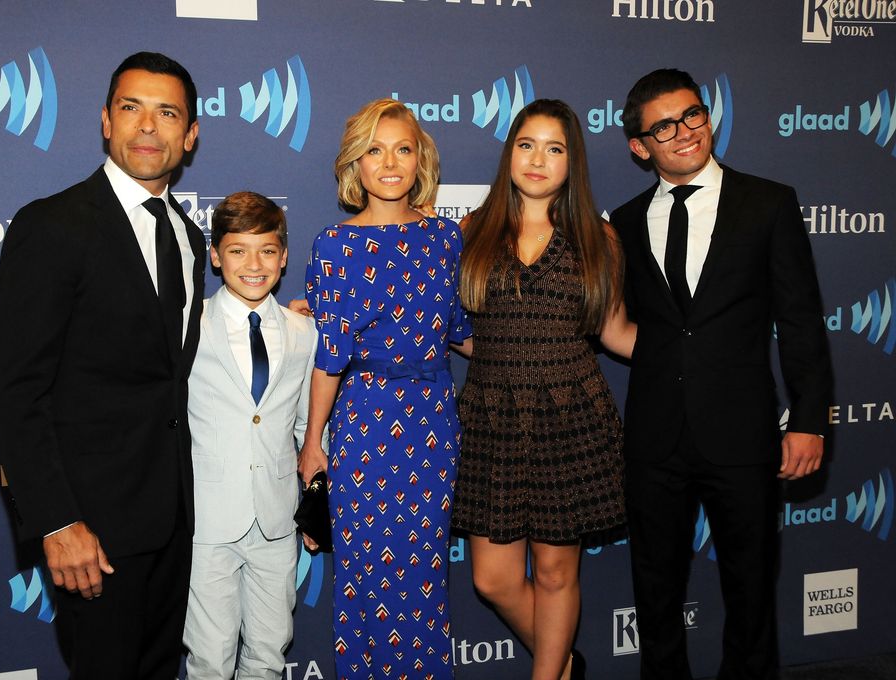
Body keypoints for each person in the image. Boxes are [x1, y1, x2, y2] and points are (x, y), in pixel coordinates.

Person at [0, 52, 204, 679]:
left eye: (167, 114)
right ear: (106, 121)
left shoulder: (189, 238)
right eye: (131, 108)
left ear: (189, 136)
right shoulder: (52, 226)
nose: (147, 127)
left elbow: (168, 378)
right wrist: (55, 520)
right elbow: (14, 390)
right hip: (91, 528)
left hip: (171, 519)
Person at [610, 68, 832, 680]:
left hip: (742, 434)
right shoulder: (622, 224)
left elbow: (802, 321)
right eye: (664, 126)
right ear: (639, 146)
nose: (684, 131)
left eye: (693, 115)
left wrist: (809, 419)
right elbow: (619, 323)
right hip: (655, 437)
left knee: (752, 589)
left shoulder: (767, 203)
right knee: (654, 592)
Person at [452, 99, 635, 680]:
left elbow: (616, 332)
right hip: (491, 417)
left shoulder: (597, 239)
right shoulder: (469, 232)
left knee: (557, 572)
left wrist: (700, 345)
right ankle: (563, 667)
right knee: (493, 578)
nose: (538, 159)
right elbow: (443, 326)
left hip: (571, 416)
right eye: (526, 144)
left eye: (554, 148)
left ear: (571, 161)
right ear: (510, 153)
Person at [297, 98, 471, 680]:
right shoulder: (333, 244)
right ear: (356, 164)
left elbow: (461, 333)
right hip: (364, 423)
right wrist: (313, 442)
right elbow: (329, 356)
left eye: (403, 148)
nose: (390, 163)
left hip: (432, 425)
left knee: (422, 579)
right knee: (365, 578)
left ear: (421, 159)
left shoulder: (447, 238)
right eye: (375, 150)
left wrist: (540, 337)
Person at [183, 191, 318, 679]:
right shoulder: (187, 325)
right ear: (216, 256)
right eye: (238, 250)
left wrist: (313, 508)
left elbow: (307, 429)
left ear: (284, 256)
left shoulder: (305, 333)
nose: (254, 264)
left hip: (277, 519)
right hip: (208, 522)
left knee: (268, 652)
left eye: (267, 250)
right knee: (209, 657)